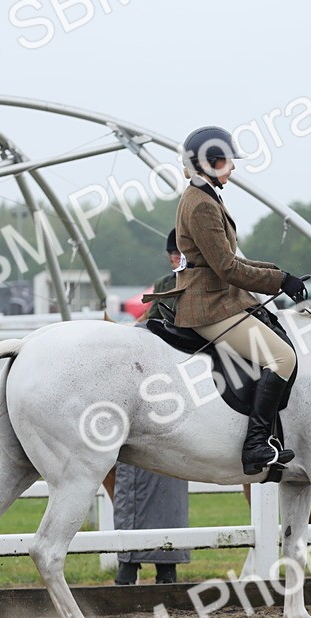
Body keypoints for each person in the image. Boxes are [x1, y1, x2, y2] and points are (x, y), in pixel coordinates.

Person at [171, 125, 307, 475]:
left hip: (217, 297)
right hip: (208, 305)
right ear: (208, 163)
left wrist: (280, 274)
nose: (232, 167)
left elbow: (235, 260)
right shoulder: (200, 204)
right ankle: (256, 446)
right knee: (282, 358)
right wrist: (278, 280)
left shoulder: (205, 196)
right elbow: (228, 268)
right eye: (227, 161)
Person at [114, 230, 191, 585]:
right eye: (173, 253)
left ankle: (163, 567)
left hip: (174, 392)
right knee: (131, 481)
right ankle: (129, 565)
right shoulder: (165, 285)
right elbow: (150, 327)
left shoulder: (190, 283)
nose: (177, 258)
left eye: (180, 252)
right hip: (154, 389)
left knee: (162, 484)